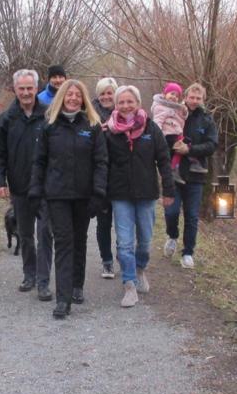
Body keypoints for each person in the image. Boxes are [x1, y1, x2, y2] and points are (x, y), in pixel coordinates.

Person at [29, 79, 107, 319]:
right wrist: (35, 191)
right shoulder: (49, 126)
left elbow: (101, 162)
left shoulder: (92, 126)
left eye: (77, 95)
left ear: (83, 99)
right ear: (62, 97)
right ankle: (63, 299)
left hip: (83, 196)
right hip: (57, 195)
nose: (73, 98)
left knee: (79, 240)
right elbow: (39, 162)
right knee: (63, 242)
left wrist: (98, 193)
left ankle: (77, 286)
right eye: (69, 94)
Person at [105, 85, 174, 307]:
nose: (126, 106)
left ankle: (140, 268)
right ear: (116, 105)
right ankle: (129, 285)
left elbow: (164, 160)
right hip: (120, 194)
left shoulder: (151, 129)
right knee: (125, 242)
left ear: (138, 103)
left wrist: (168, 190)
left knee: (144, 241)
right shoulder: (108, 131)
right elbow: (102, 163)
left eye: (130, 101)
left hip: (146, 193)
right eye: (121, 102)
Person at [0, 69, 54, 301]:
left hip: (46, 187)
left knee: (45, 232)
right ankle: (30, 274)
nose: (26, 92)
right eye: (22, 88)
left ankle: (44, 280)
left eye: (30, 88)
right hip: (19, 187)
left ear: (37, 88)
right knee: (25, 234)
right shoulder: (7, 119)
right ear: (15, 90)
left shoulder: (48, 115)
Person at [163, 82, 218, 268]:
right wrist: (173, 146)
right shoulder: (175, 113)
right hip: (174, 173)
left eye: (198, 98)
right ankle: (172, 236)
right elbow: (164, 134)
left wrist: (191, 149)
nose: (194, 101)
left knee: (192, 216)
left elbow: (212, 145)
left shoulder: (207, 120)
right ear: (185, 97)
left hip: (196, 176)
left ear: (202, 100)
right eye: (191, 97)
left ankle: (188, 252)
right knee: (171, 212)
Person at [151, 82, 206, 183]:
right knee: (180, 146)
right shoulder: (160, 107)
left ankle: (191, 163)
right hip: (168, 134)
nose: (174, 97)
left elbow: (182, 118)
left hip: (176, 132)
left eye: (176, 95)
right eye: (172, 94)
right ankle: (173, 169)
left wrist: (184, 111)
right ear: (165, 94)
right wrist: (158, 136)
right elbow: (157, 122)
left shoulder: (176, 107)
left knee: (187, 143)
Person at [91, 77, 118, 279]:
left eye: (110, 93)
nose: (106, 97)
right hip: (100, 175)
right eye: (103, 93)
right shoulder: (89, 114)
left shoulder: (126, 112)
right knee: (104, 222)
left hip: (122, 175)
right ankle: (107, 261)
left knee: (125, 222)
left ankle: (125, 258)